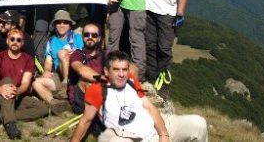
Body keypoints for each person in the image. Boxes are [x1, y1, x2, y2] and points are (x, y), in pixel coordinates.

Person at [70, 51, 207, 142]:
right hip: (129, 137)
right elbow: (85, 122)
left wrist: (163, 134)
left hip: (158, 126)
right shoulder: (96, 90)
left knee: (198, 123)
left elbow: (150, 108)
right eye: (116, 70)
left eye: (124, 69)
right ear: (106, 71)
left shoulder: (130, 81)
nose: (121, 74)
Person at [0, 28, 47, 139]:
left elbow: (25, 83)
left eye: (19, 40)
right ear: (7, 41)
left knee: (43, 109)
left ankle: (3, 115)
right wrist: (0, 89)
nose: (15, 42)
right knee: (8, 81)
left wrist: (17, 91)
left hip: (17, 94)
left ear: (22, 43)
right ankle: (10, 123)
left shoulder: (28, 59)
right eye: (12, 39)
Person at [33, 10, 83, 105]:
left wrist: (75, 53)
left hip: (75, 76)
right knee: (35, 82)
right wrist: (47, 70)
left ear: (70, 24)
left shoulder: (77, 37)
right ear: (55, 25)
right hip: (58, 74)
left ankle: (67, 85)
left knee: (62, 53)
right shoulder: (51, 41)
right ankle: (56, 104)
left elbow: (85, 55)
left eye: (65, 22)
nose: (62, 25)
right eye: (58, 22)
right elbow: (48, 61)